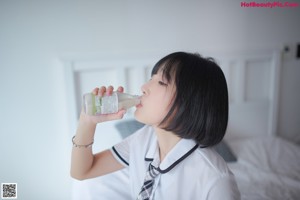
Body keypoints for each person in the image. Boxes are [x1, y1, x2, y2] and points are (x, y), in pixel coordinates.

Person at [71, 52, 241, 200]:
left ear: (189, 103)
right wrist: (87, 122)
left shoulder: (215, 181)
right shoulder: (143, 140)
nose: (144, 87)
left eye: (161, 82)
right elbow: (82, 171)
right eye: (151, 78)